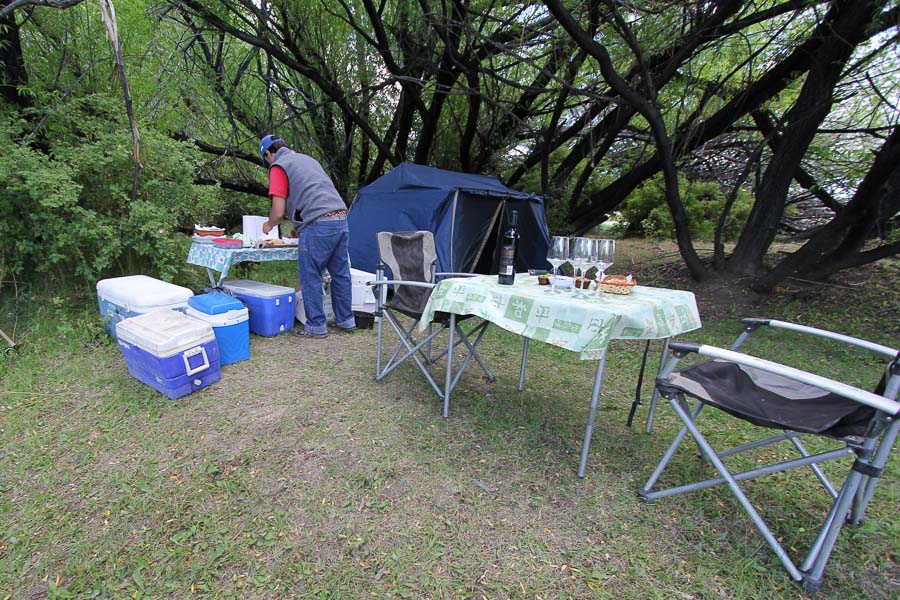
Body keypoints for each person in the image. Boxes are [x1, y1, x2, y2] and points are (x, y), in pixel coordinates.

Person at [259, 135, 356, 338]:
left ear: (268, 153)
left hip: (318, 224)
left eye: (266, 158)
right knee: (340, 274)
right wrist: (298, 227)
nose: (268, 162)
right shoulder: (307, 160)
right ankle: (346, 320)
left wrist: (268, 224)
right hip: (340, 217)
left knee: (311, 274)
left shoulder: (278, 166)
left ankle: (316, 325)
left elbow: (278, 212)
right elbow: (312, 194)